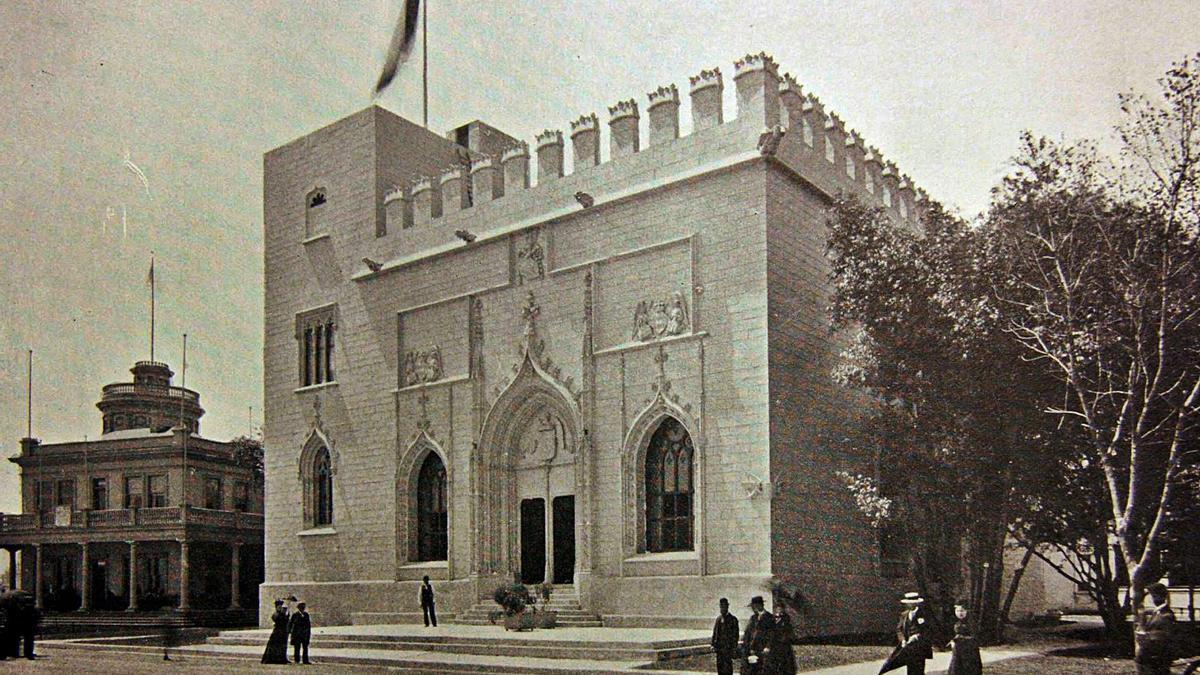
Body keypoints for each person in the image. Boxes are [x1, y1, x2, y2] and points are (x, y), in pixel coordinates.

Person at [1135, 582, 1176, 675]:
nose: (1148, 599)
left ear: (1157, 596)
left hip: (1157, 655)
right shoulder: (1157, 612)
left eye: (1150, 595)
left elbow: (1166, 635)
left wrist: (1146, 635)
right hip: (1150, 654)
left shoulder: (1166, 615)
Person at [896, 592, 933, 675]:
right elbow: (899, 629)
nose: (910, 605)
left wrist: (917, 636)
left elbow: (928, 630)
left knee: (919, 670)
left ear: (917, 603)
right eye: (908, 603)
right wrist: (902, 640)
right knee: (910, 670)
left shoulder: (924, 614)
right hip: (908, 647)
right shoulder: (904, 615)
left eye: (912, 603)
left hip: (920, 647)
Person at [740, 595, 775, 675]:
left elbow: (772, 634)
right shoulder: (753, 618)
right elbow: (747, 634)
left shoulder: (769, 618)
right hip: (751, 650)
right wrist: (745, 646)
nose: (753, 609)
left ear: (759, 605)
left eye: (754, 607)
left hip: (762, 651)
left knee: (762, 671)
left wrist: (768, 646)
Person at [946, 602, 981, 675]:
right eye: (957, 611)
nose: (960, 613)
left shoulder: (971, 622)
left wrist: (961, 638)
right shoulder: (955, 621)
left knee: (968, 669)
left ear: (966, 611)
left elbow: (975, 636)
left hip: (969, 651)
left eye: (962, 611)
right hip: (958, 650)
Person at [764, 604, 797, 675]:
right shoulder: (772, 621)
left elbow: (789, 634)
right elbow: (769, 634)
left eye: (780, 609)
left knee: (785, 666)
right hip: (774, 648)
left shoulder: (786, 622)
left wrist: (783, 640)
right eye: (776, 609)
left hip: (783, 648)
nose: (778, 611)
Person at [711, 597, 740, 675]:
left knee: (727, 669)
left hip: (728, 650)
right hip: (719, 650)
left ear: (727, 607)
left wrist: (734, 648)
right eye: (721, 606)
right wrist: (713, 644)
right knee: (720, 669)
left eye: (724, 606)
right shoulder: (718, 619)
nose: (722, 608)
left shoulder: (733, 620)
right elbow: (715, 633)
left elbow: (735, 636)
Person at [261, 598, 290, 664]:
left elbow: (286, 621)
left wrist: (286, 614)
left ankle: (282, 658)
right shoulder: (275, 614)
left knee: (282, 646)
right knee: (275, 646)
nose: (280, 608)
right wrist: (282, 614)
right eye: (279, 607)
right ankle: (273, 659)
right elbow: (277, 619)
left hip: (283, 632)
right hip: (277, 632)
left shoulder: (283, 614)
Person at [289, 601, 313, 665]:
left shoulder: (306, 615)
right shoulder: (295, 615)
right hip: (297, 634)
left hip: (304, 634)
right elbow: (291, 624)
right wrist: (291, 633)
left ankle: (305, 660)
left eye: (303, 607)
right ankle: (297, 660)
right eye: (301, 607)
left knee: (305, 648)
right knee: (297, 648)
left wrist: (308, 633)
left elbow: (308, 625)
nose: (302, 608)